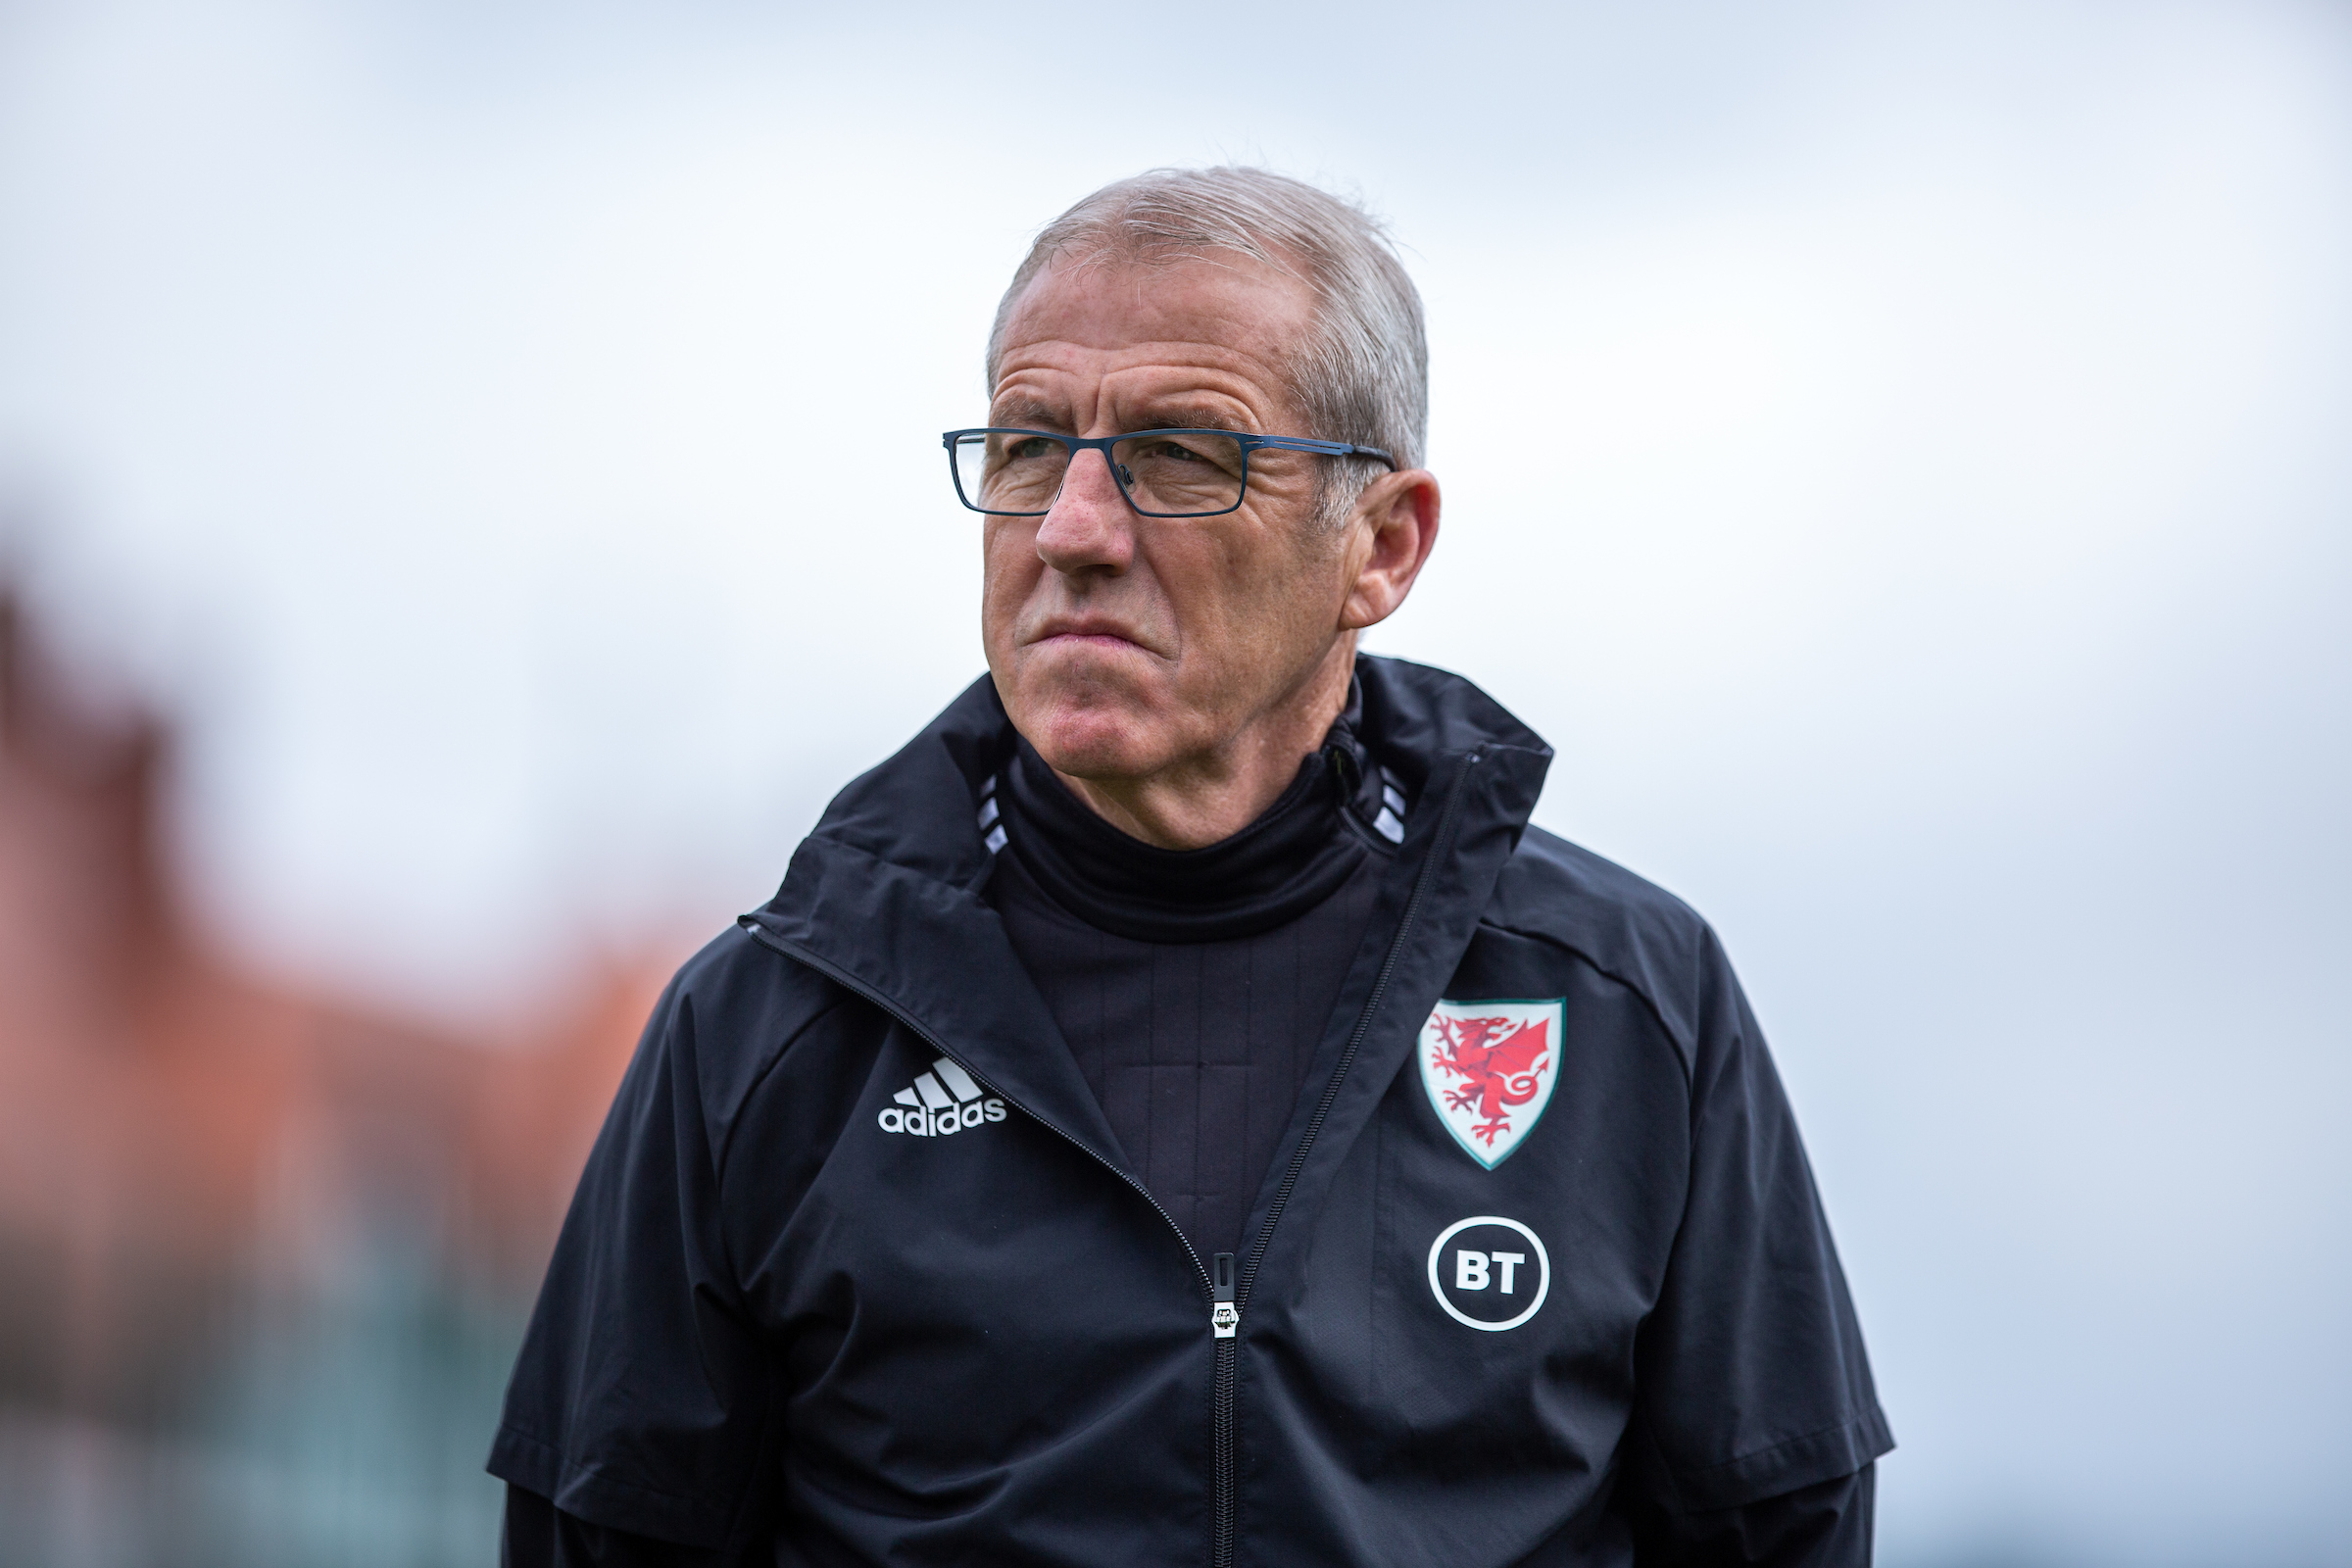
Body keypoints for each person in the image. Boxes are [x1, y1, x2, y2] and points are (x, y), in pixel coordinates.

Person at [491, 166, 1891, 1567]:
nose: (1072, 532)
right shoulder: (769, 1030)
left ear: (1382, 545)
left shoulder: (1628, 1007)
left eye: (1178, 454)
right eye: (1033, 446)